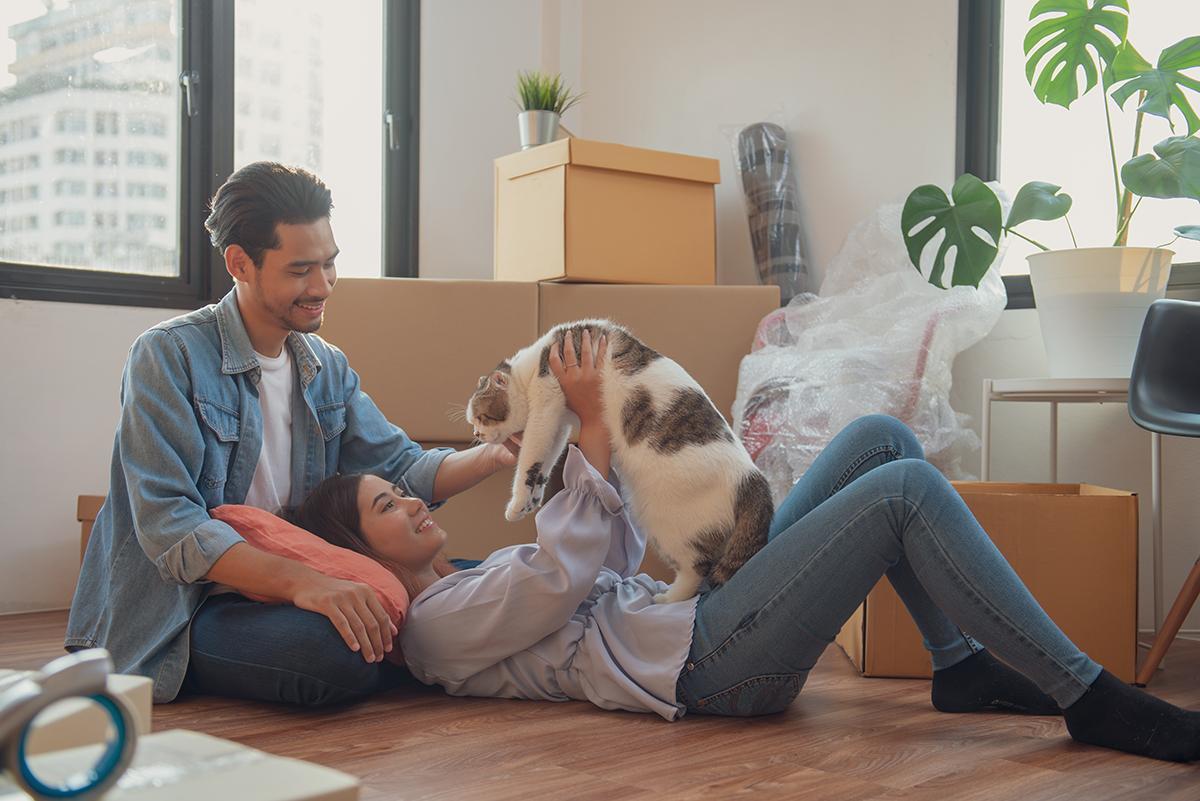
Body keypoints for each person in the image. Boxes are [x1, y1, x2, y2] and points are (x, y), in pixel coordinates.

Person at [291, 328, 1200, 763]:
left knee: (880, 438)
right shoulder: (432, 632)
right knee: (905, 493)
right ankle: (1090, 696)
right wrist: (593, 442)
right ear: (358, 550)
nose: (411, 504)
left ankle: (956, 660)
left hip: (695, 619)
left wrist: (594, 450)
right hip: (707, 667)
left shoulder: (469, 574)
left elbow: (599, 564)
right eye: (385, 506)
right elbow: (567, 574)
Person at [66, 162, 518, 707]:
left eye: (330, 264)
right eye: (301, 269)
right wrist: (305, 584)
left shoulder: (326, 367)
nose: (323, 286)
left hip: (303, 576)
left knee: (493, 581)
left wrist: (496, 453)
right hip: (197, 604)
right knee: (329, 656)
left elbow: (402, 469)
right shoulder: (169, 356)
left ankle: (424, 644)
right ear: (240, 263)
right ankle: (430, 651)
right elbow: (170, 526)